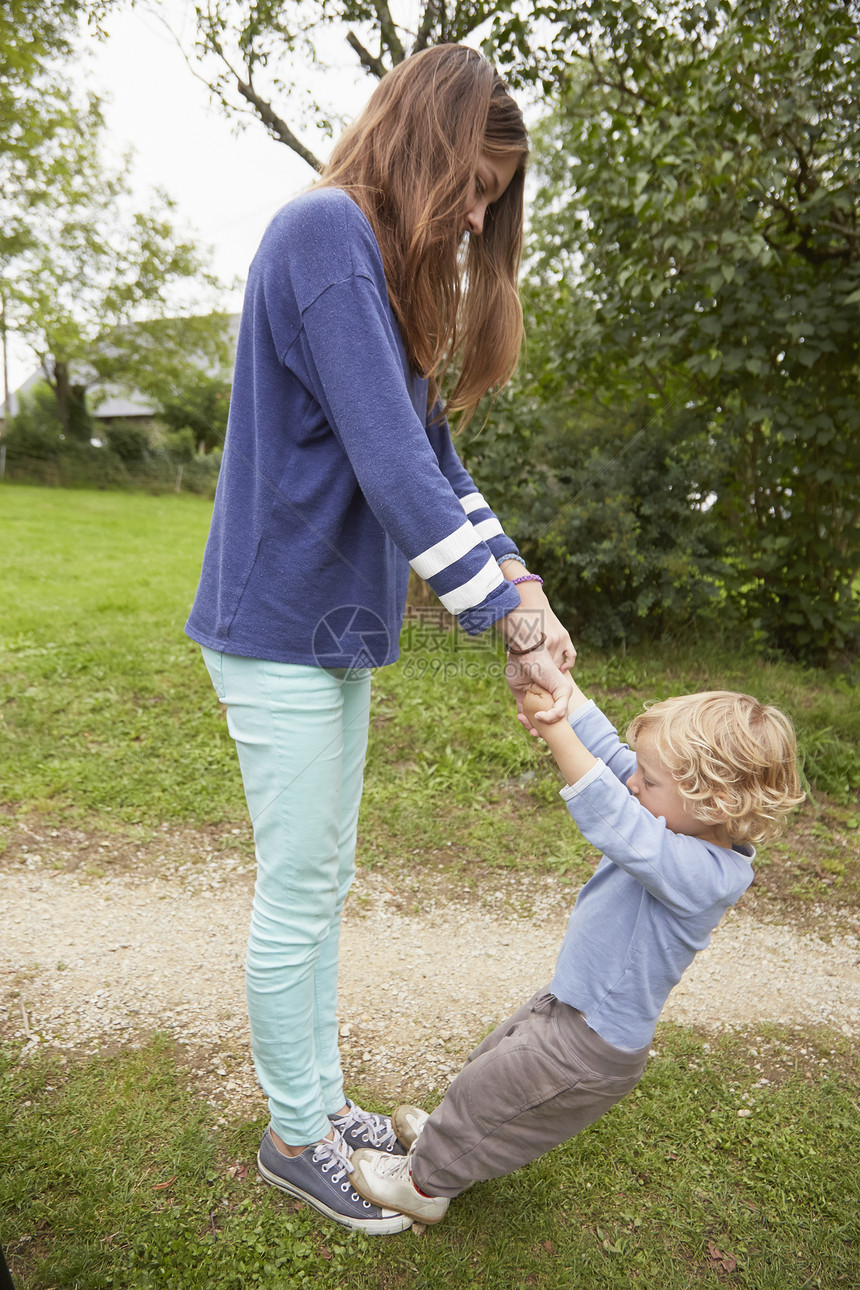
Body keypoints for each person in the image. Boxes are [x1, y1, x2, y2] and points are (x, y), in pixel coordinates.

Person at [185, 44, 575, 1235]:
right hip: (275, 620)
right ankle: (292, 1137)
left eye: (491, 200)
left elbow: (434, 459)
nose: (472, 212)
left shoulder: (368, 263)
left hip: (328, 627)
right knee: (299, 892)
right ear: (420, 139)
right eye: (468, 182)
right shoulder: (322, 235)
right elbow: (390, 464)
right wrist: (506, 622)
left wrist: (515, 571)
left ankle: (318, 1103)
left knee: (320, 880)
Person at [348, 679, 804, 1223]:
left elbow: (610, 811)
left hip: (591, 1044)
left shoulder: (706, 874)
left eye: (648, 779)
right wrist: (561, 691)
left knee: (497, 1097)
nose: (633, 782)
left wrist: (555, 730)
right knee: (488, 1072)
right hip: (570, 1004)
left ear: (718, 802)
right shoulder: (676, 816)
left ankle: (424, 1187)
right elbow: (613, 759)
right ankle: (450, 1138)